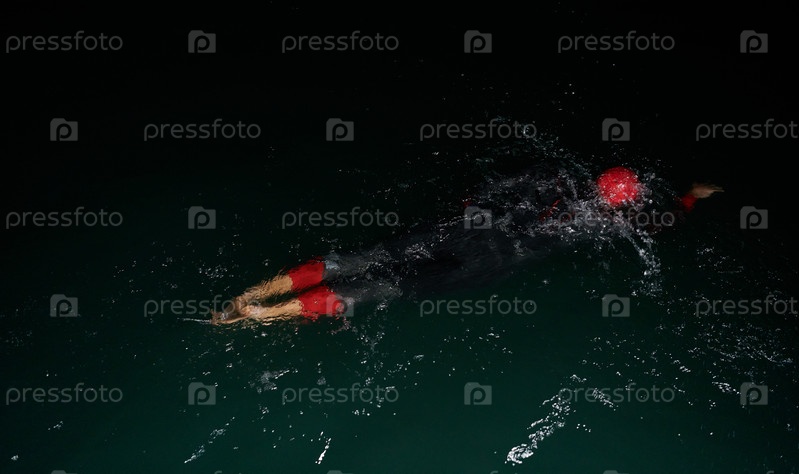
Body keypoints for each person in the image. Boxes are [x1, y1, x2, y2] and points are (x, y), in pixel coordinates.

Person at [210, 166, 723, 325]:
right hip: (491, 263)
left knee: (367, 258)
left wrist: (465, 210)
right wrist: (691, 197)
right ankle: (263, 317)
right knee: (384, 286)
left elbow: (491, 189)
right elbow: (664, 222)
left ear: (597, 179)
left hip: (469, 229)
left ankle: (254, 293)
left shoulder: (554, 178)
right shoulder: (602, 225)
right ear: (621, 203)